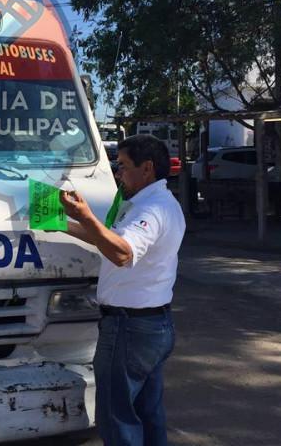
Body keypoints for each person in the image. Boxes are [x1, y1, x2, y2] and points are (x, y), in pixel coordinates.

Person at [59, 134, 185, 445]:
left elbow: (122, 253)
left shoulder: (151, 210)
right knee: (147, 412)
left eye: (123, 166)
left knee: (118, 418)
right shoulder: (152, 203)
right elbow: (110, 242)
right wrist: (65, 226)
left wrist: (86, 216)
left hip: (131, 328)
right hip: (152, 326)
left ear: (147, 168)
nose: (118, 173)